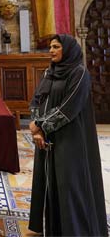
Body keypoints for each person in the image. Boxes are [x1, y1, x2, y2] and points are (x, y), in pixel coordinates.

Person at [28, 34, 107, 236]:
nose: (51, 51)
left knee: (68, 185)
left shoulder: (79, 73)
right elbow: (37, 99)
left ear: (68, 49)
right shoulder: (49, 72)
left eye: (56, 47)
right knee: (48, 183)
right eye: (50, 47)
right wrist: (36, 128)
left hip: (69, 138)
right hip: (45, 138)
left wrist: (40, 126)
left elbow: (68, 109)